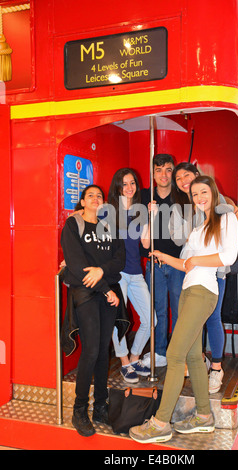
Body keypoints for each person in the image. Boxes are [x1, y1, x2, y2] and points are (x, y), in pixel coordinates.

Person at [129, 175, 238, 444]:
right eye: (195, 194)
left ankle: (160, 423)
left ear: (213, 192)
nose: (200, 197)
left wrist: (195, 260)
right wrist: (164, 257)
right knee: (190, 356)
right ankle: (204, 416)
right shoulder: (199, 229)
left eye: (204, 192)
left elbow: (228, 256)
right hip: (189, 291)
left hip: (204, 291)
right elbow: (185, 264)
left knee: (175, 355)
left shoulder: (225, 219)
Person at [61, 185, 126, 437]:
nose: (96, 199)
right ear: (83, 202)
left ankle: (100, 405)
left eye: (100, 196)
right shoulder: (73, 225)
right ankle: (80, 409)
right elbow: (77, 265)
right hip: (87, 293)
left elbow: (118, 261)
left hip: (107, 292)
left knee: (103, 351)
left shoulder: (109, 226)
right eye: (91, 196)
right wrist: (104, 286)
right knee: (91, 350)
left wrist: (102, 272)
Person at [170, 161, 238, 393]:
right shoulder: (186, 206)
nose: (183, 181)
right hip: (191, 273)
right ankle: (199, 361)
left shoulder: (222, 204)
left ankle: (217, 369)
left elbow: (229, 239)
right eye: (178, 178)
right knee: (193, 320)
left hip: (215, 272)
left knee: (212, 317)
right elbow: (183, 240)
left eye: (186, 175)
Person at [108, 168, 154, 383]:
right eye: (124, 184)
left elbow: (145, 243)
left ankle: (135, 357)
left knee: (150, 320)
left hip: (136, 273)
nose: (129, 188)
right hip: (117, 274)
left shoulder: (140, 211)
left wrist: (151, 218)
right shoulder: (108, 211)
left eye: (132, 183)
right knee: (119, 320)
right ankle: (124, 362)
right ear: (118, 186)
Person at [140, 154, 185, 368]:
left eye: (168, 169)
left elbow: (211, 198)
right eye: (158, 170)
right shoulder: (144, 196)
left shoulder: (181, 196)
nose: (163, 174)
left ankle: (176, 353)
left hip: (178, 265)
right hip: (154, 264)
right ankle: (159, 352)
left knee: (178, 310)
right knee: (157, 311)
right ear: (153, 173)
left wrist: (231, 205)